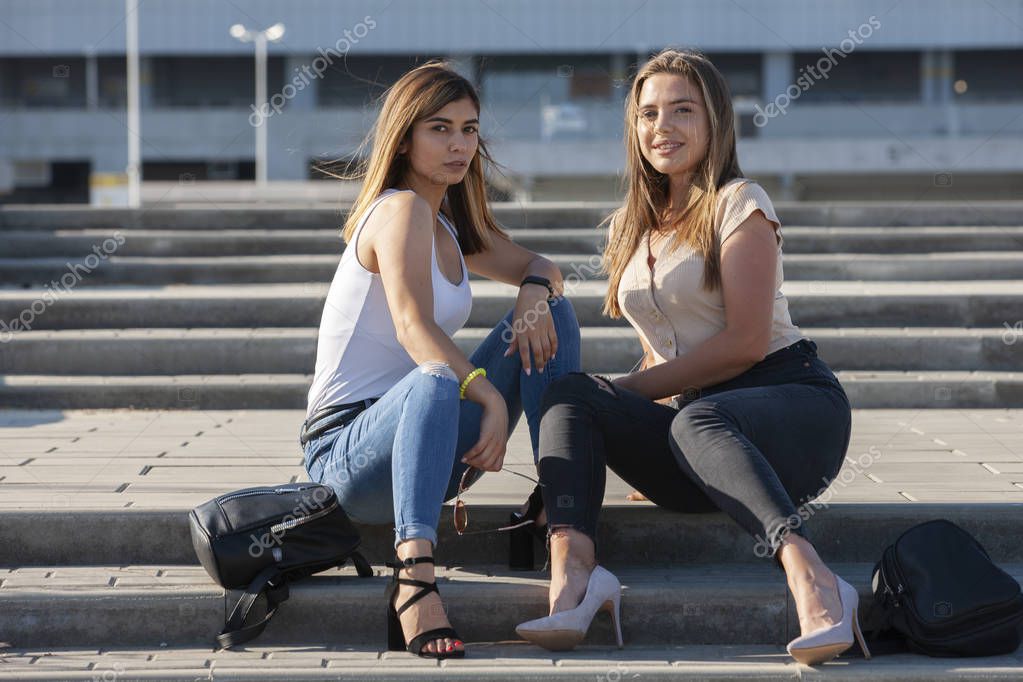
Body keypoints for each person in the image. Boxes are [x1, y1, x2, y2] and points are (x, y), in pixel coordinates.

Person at [516, 48, 871, 666]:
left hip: (791, 408)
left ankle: (812, 577)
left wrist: (626, 396)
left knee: (689, 417)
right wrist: (616, 424)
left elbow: (745, 344)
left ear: (715, 121)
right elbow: (659, 348)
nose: (663, 127)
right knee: (570, 392)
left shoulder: (741, 203)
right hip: (702, 442)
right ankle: (575, 574)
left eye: (683, 110)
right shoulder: (632, 225)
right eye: (648, 113)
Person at [301, 62, 580, 659]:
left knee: (550, 312)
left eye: (469, 129)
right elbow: (413, 327)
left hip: (426, 449)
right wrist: (486, 394)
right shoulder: (397, 210)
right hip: (348, 457)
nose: (459, 144)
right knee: (430, 378)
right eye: (440, 129)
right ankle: (415, 578)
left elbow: (545, 269)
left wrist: (533, 289)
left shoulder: (448, 227)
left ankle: (560, 509)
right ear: (404, 139)